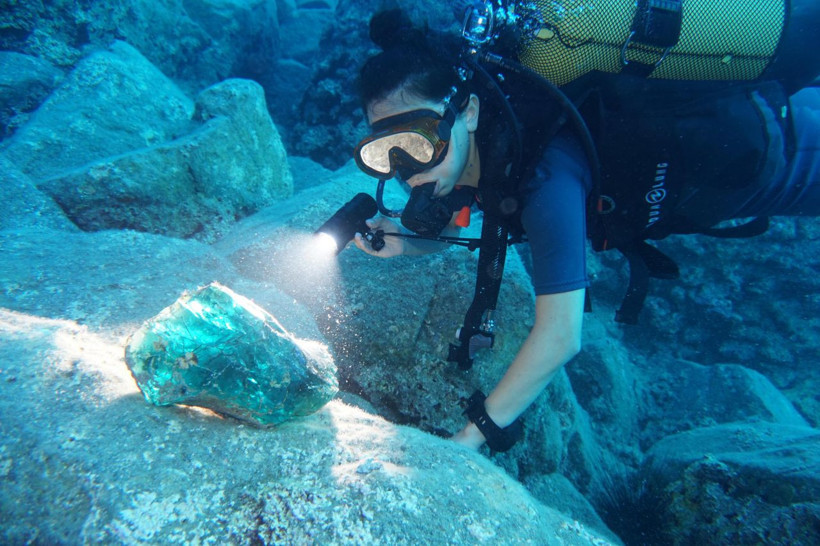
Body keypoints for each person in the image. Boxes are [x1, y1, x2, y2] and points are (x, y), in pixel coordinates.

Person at [348, 8, 820, 452]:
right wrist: (403, 242)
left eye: (419, 142)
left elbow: (561, 336)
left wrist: (469, 440)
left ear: (468, 111)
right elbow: (459, 214)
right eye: (385, 153)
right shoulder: (479, 150)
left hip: (794, 152)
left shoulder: (543, 176)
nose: (406, 168)